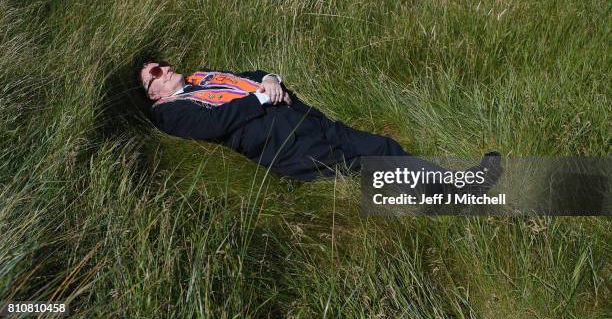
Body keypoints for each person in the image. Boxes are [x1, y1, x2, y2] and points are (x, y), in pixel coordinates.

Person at [138, 61, 501, 192]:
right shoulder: (170, 113)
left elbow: (249, 75)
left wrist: (269, 78)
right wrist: (263, 98)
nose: (164, 69)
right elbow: (215, 123)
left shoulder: (203, 77)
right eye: (155, 74)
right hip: (291, 148)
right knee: (377, 173)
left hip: (309, 122)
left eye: (162, 65)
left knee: (385, 147)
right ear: (154, 94)